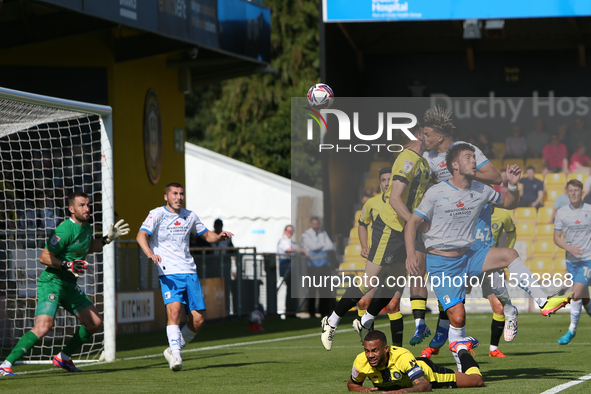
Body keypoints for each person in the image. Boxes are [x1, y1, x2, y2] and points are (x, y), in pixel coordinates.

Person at [405, 144, 572, 372]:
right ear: (454, 165)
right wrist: (411, 254)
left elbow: (510, 203)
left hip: (470, 256)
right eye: (468, 157)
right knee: (458, 318)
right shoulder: (436, 192)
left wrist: (512, 185)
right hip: (442, 263)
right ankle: (463, 364)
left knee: (509, 254)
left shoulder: (481, 189)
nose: (474, 161)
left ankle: (543, 302)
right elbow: (412, 223)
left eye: (474, 157)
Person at [321, 124, 431, 351]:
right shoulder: (408, 158)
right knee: (368, 283)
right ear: (419, 136)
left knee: (395, 284)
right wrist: (414, 223)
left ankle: (366, 320)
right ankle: (331, 321)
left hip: (404, 230)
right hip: (390, 228)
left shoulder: (422, 162)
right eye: (427, 133)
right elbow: (395, 199)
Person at [0, 191, 130, 377]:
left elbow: (88, 246)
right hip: (52, 282)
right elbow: (44, 257)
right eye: (82, 205)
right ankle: (5, 364)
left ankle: (64, 357)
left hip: (69, 285)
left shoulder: (87, 227)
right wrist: (67, 264)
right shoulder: (64, 230)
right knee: (44, 326)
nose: (87, 208)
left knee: (95, 323)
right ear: (71, 209)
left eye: (87, 205)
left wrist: (107, 239)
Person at [136, 182, 233, 372]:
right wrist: (149, 253)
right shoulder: (157, 214)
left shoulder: (190, 216)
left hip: (190, 271)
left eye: (181, 194)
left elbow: (207, 236)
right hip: (168, 273)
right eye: (174, 193)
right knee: (174, 314)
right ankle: (177, 357)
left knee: (198, 321)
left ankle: (172, 349)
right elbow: (141, 235)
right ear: (166, 196)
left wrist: (219, 237)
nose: (179, 197)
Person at [421, 205, 518, 360]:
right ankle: (435, 345)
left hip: (488, 262)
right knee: (452, 307)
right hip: (466, 261)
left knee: (499, 307)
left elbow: (512, 232)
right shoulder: (467, 209)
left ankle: (494, 348)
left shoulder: (502, 215)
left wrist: (504, 253)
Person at [347, 330, 483, 392]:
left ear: (386, 349)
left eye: (375, 350)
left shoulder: (402, 357)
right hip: (411, 369)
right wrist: (361, 388)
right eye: (367, 350)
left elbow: (425, 386)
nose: (370, 355)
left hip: (429, 373)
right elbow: (352, 384)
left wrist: (401, 391)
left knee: (477, 381)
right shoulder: (361, 361)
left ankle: (461, 348)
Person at [553, 180, 591, 345]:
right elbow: (556, 237)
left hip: (588, 260)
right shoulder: (561, 213)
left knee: (575, 295)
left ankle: (571, 330)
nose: (574, 193)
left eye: (577, 190)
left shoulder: (589, 210)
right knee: (585, 299)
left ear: (582, 192)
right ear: (567, 193)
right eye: (571, 190)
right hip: (571, 261)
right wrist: (569, 248)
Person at [356, 167, 391, 325]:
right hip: (376, 257)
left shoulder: (405, 202)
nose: (386, 183)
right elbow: (362, 224)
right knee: (364, 301)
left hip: (396, 257)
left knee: (393, 305)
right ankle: (364, 336)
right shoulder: (372, 203)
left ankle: (397, 346)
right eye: (383, 180)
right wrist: (364, 245)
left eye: (389, 179)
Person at [299, 217, 335, 318]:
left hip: (324, 266)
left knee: (325, 289)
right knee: (312, 290)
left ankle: (324, 311)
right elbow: (313, 247)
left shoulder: (322, 233)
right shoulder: (306, 235)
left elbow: (330, 246)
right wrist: (322, 245)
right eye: (314, 224)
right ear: (310, 224)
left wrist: (318, 246)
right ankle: (312, 312)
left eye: (317, 224)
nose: (316, 226)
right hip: (313, 267)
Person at [277, 225, 307, 318]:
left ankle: (292, 312)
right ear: (285, 231)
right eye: (288, 230)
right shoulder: (283, 241)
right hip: (286, 268)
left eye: (291, 231)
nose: (290, 232)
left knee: (292, 290)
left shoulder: (292, 242)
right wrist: (300, 250)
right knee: (289, 290)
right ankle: (289, 312)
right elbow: (288, 250)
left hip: (293, 268)